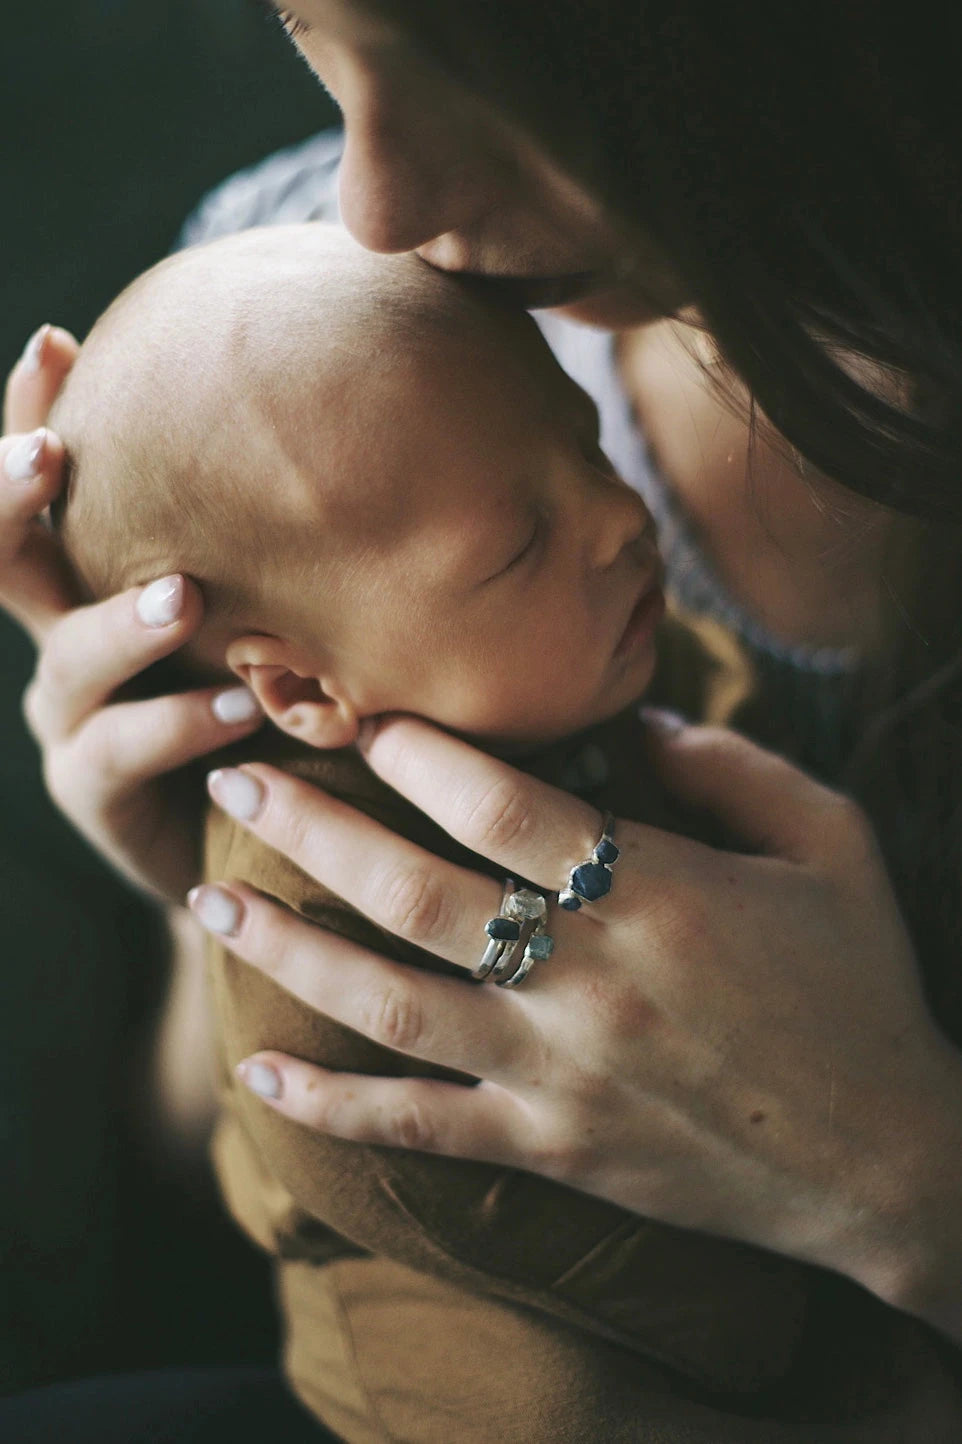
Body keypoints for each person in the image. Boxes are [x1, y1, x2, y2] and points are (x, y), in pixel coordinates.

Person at [5, 0, 962, 1436]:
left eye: (480, 63)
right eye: (307, 29)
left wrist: (906, 1185)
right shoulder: (286, 307)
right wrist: (210, 878)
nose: (375, 202)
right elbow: (237, 1182)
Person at [50, 219, 819, 1439]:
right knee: (550, 1407)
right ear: (300, 692)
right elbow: (363, 1161)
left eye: (583, 442)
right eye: (516, 544)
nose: (618, 517)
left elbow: (706, 691)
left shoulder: (579, 637)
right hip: (460, 1273)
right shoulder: (309, 880)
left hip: (773, 1193)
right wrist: (711, 1299)